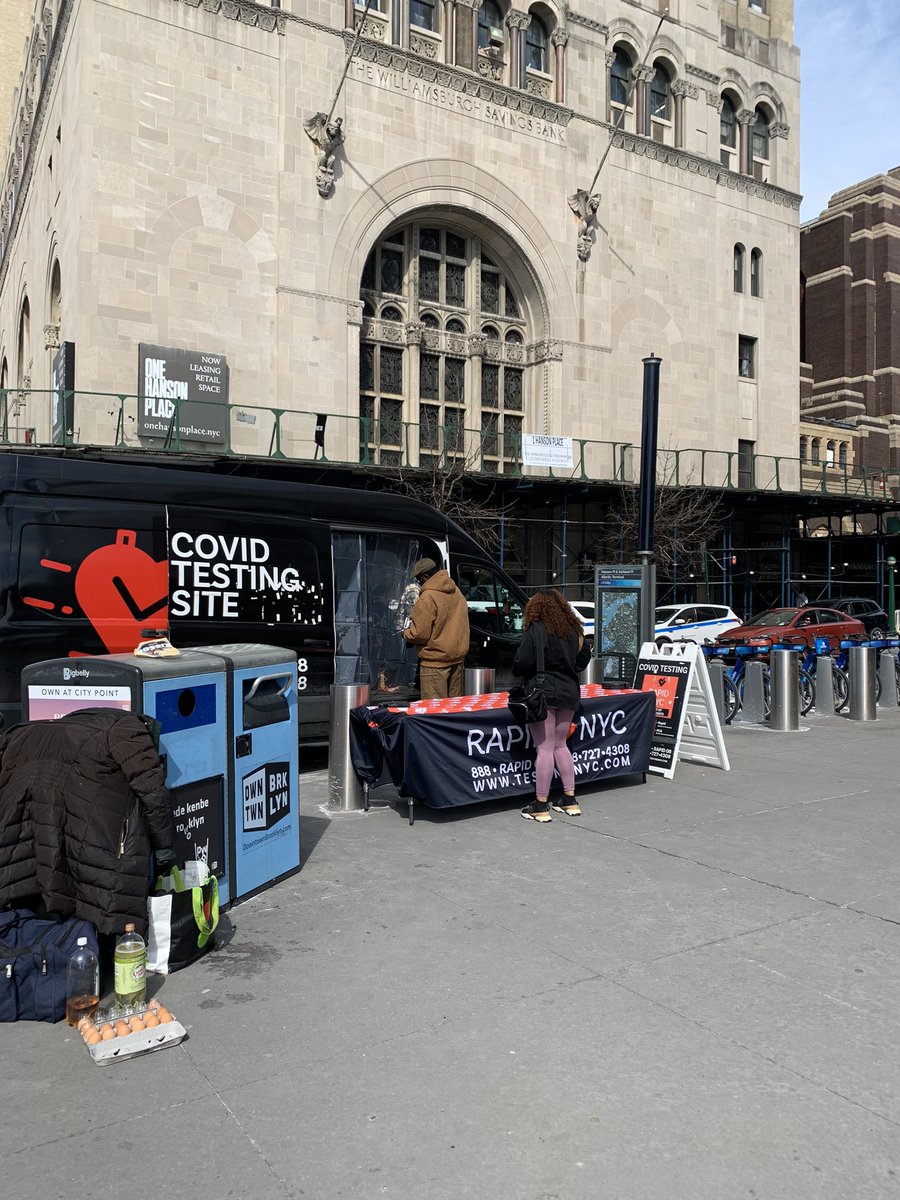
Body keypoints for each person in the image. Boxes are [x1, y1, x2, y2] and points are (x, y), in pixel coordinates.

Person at [512, 589, 592, 823]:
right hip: (568, 692)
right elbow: (583, 661)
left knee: (544, 748)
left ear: (536, 608)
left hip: (542, 693)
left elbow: (521, 661)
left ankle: (540, 804)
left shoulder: (536, 629)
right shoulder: (574, 630)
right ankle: (570, 800)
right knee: (560, 745)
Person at [402, 557, 470, 699]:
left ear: (426, 576)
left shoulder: (428, 597)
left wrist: (405, 633)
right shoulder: (456, 591)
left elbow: (419, 634)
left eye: (419, 580)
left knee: (434, 712)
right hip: (456, 662)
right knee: (453, 709)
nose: (419, 583)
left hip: (434, 664)